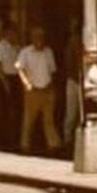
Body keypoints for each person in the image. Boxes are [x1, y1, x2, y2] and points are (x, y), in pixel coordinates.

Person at [15, 25, 61, 155]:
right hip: (32, 90)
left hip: (47, 89)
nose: (40, 39)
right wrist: (26, 83)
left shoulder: (48, 52)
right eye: (37, 37)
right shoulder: (25, 52)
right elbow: (20, 68)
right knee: (29, 120)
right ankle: (25, 145)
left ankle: (53, 145)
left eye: (42, 37)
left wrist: (52, 87)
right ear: (32, 38)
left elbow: (52, 71)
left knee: (49, 119)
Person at [0, 21, 21, 149]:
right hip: (4, 78)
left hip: (15, 78)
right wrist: (5, 83)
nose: (14, 35)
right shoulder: (0, 47)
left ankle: (12, 137)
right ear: (6, 33)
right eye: (11, 33)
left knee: (15, 110)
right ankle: (0, 139)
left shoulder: (17, 48)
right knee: (2, 110)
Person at [62, 20, 83, 148]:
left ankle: (71, 136)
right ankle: (68, 136)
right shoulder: (71, 46)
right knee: (72, 111)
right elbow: (69, 64)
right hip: (74, 80)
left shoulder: (81, 44)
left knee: (75, 111)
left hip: (78, 80)